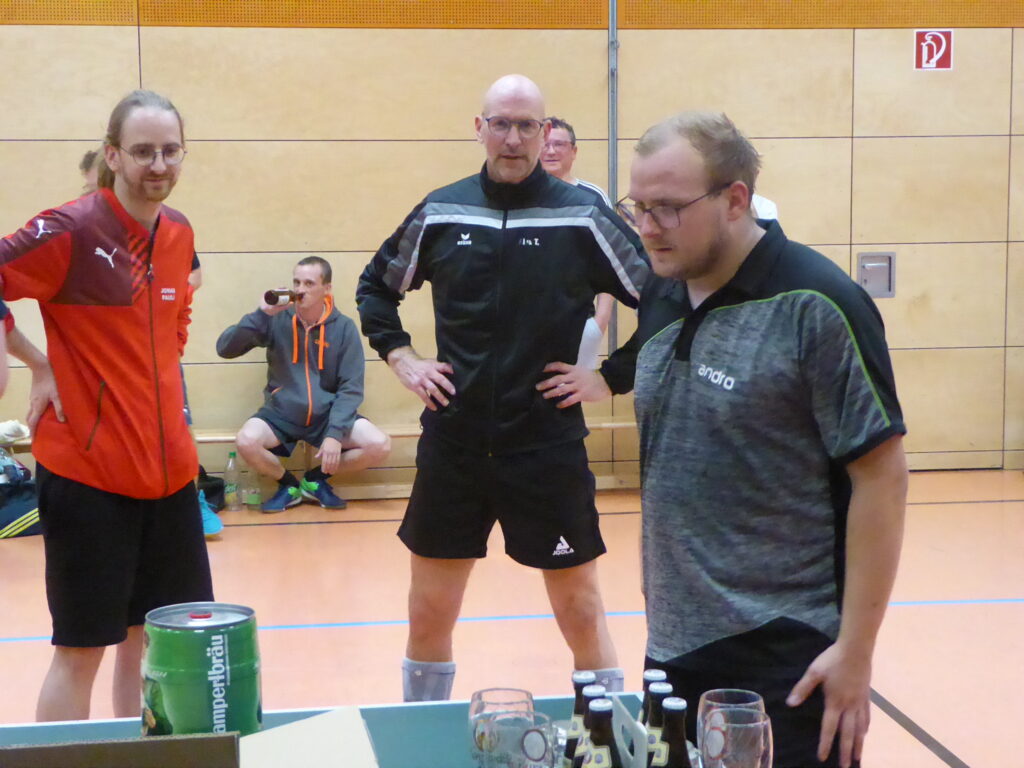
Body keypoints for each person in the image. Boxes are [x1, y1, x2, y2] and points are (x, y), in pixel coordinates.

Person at [544, 111, 907, 768]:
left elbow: (881, 477)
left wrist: (856, 650)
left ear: (735, 199)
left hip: (789, 653)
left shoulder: (817, 304)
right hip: (673, 649)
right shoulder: (662, 290)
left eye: (668, 208)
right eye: (638, 207)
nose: (647, 227)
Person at [357, 74, 649, 701]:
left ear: (545, 134)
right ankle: (422, 733)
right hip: (454, 445)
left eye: (526, 126)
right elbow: (375, 287)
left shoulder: (583, 216)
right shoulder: (442, 210)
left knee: (581, 609)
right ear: (480, 129)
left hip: (545, 446)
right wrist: (402, 357)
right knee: (429, 611)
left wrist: (609, 377)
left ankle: (605, 735)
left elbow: (665, 299)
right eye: (501, 124)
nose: (513, 138)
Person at [0, 89, 215, 721]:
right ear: (113, 155)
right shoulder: (70, 229)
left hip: (169, 479)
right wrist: (35, 360)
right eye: (143, 151)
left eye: (170, 151)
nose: (158, 165)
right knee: (81, 650)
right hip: (88, 476)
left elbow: (173, 323)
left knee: (155, 645)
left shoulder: (178, 233)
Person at [217, 256, 391, 513]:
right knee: (246, 441)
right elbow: (225, 349)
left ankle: (315, 480)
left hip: (326, 416)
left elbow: (351, 387)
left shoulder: (344, 327)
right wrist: (261, 314)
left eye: (309, 283)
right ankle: (288, 485)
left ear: (326, 288)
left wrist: (334, 434)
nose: (300, 290)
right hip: (281, 414)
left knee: (379, 445)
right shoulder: (276, 319)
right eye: (297, 282)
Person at [540, 116, 614, 370]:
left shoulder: (593, 197)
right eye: (545, 144)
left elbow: (610, 262)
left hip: (581, 323)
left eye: (559, 144)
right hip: (523, 324)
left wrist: (600, 322)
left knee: (574, 389)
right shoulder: (517, 197)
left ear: (574, 151)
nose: (551, 151)